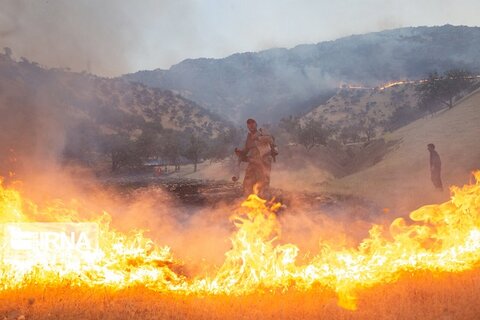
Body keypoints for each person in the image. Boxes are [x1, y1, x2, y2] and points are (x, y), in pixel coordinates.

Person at [235, 118, 277, 197]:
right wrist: (240, 152)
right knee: (247, 182)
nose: (251, 125)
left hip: (264, 162)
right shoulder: (249, 137)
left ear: (256, 124)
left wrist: (258, 138)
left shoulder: (262, 132)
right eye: (249, 124)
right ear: (247, 126)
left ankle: (265, 201)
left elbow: (270, 139)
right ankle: (248, 199)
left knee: (263, 182)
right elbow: (247, 149)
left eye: (252, 123)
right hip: (253, 162)